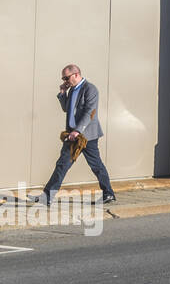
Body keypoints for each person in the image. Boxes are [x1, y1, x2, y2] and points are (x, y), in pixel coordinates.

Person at [35, 64, 115, 205]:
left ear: (76, 74)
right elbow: (66, 108)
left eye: (66, 78)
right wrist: (62, 93)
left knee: (96, 165)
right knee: (62, 164)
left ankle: (108, 193)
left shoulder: (90, 89)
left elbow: (90, 112)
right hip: (72, 135)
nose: (65, 81)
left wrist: (78, 131)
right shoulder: (72, 90)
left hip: (87, 136)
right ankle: (47, 196)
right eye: (63, 78)